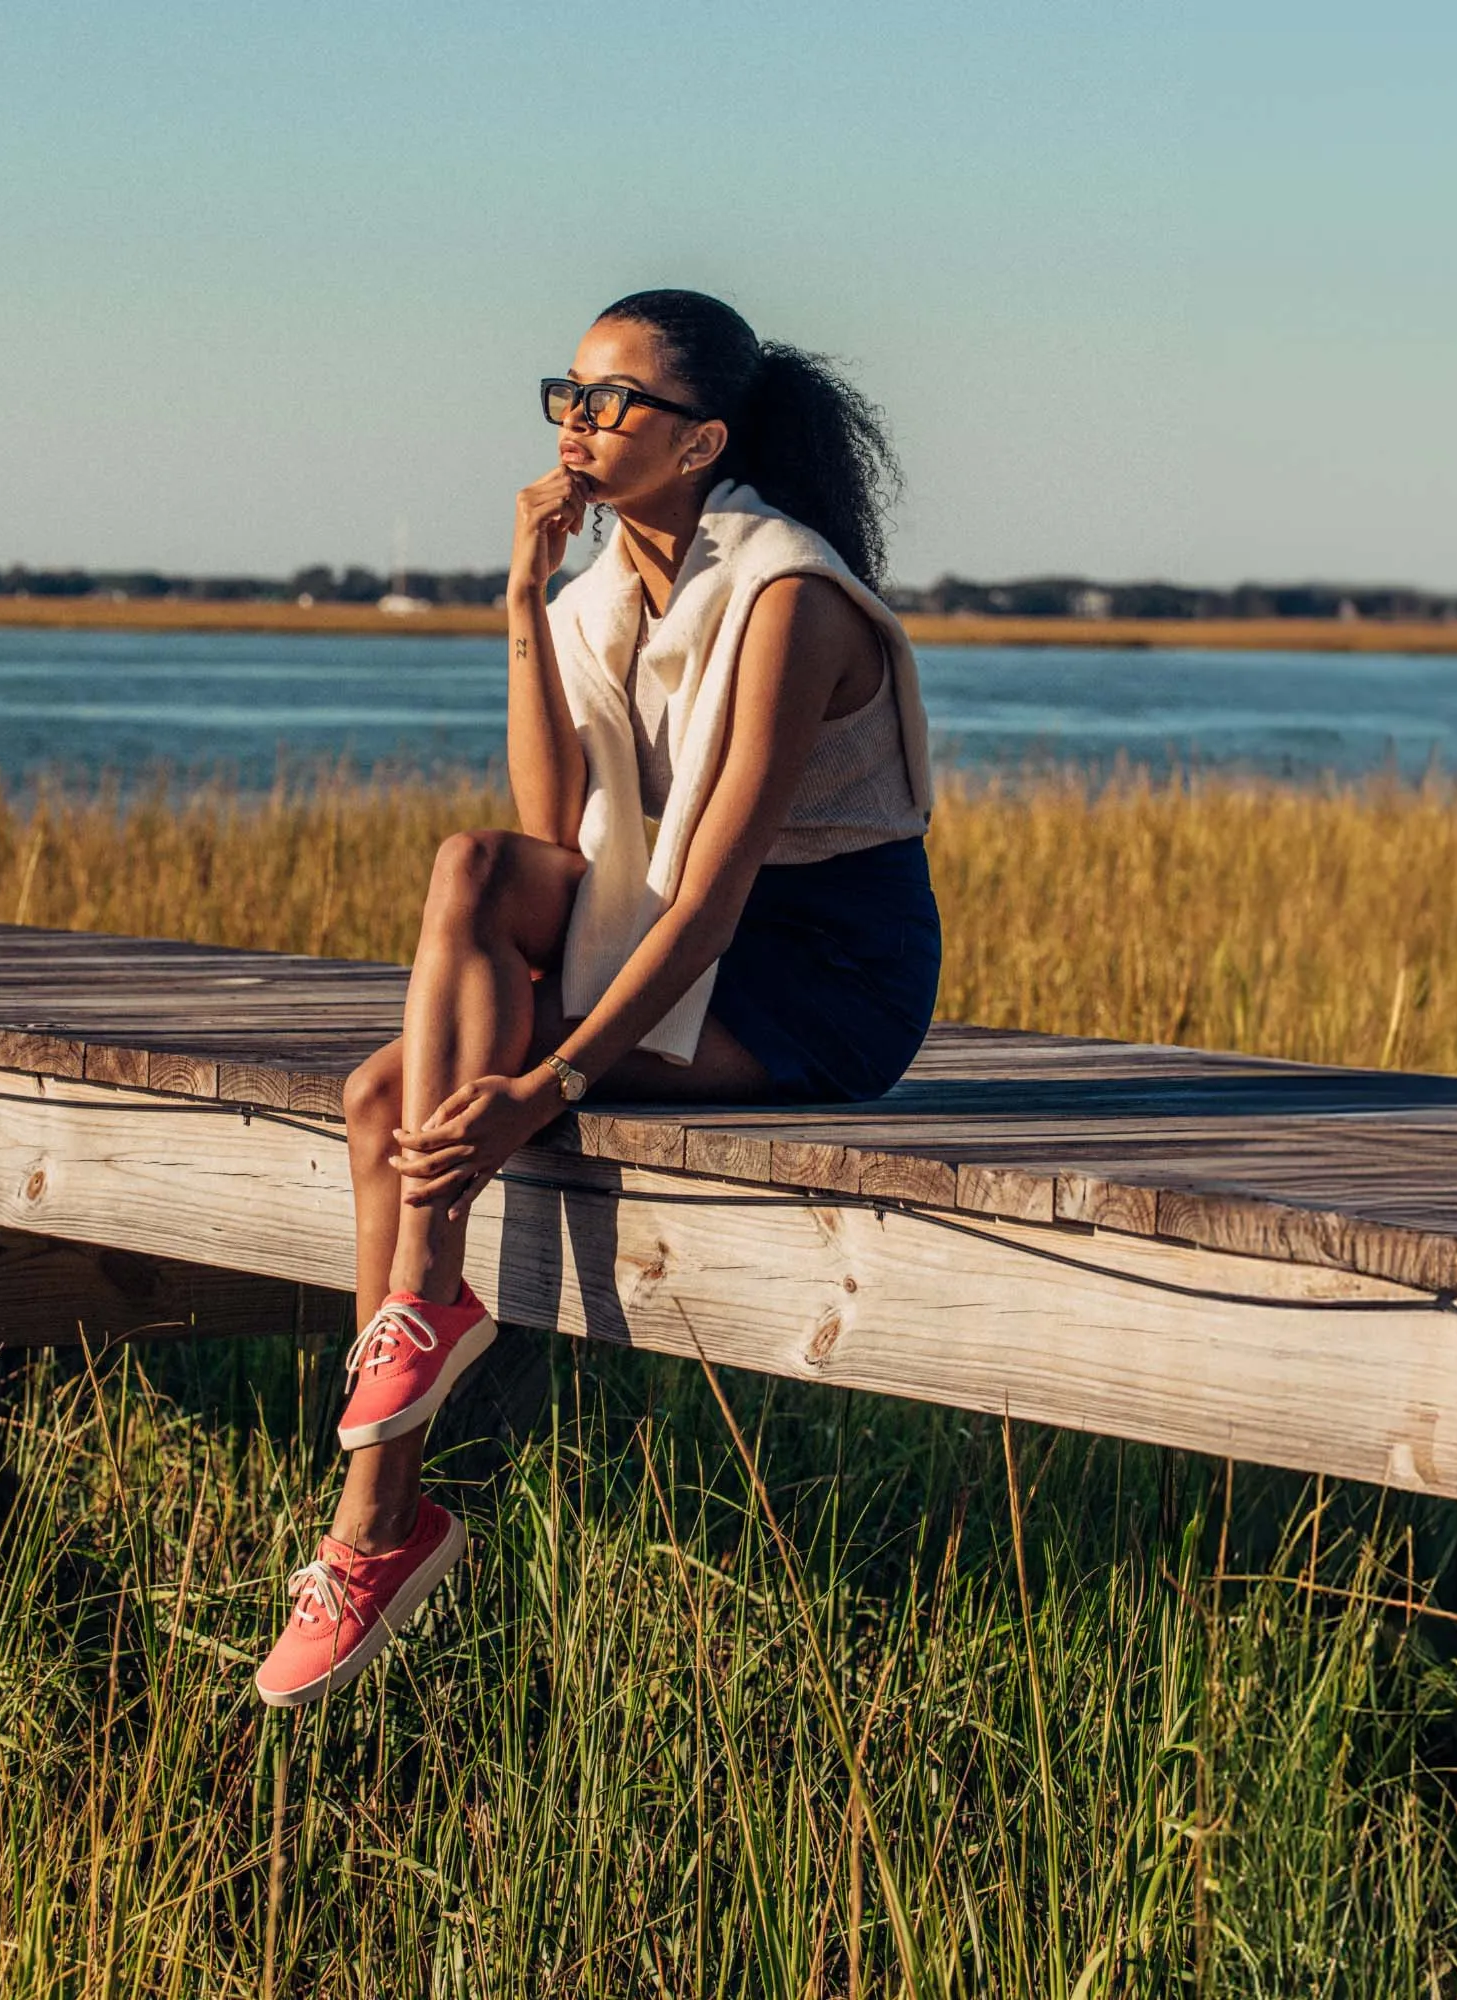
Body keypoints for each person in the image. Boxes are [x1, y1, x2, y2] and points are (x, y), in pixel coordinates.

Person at [255, 289, 940, 1706]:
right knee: (463, 883)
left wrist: (548, 1088)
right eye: (565, 392)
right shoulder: (599, 594)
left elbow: (710, 893)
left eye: (615, 399)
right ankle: (416, 1355)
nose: (579, 420)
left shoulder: (788, 596)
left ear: (703, 444)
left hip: (810, 975)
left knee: (396, 1100)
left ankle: (376, 1521)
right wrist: (518, 596)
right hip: (659, 931)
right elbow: (552, 834)